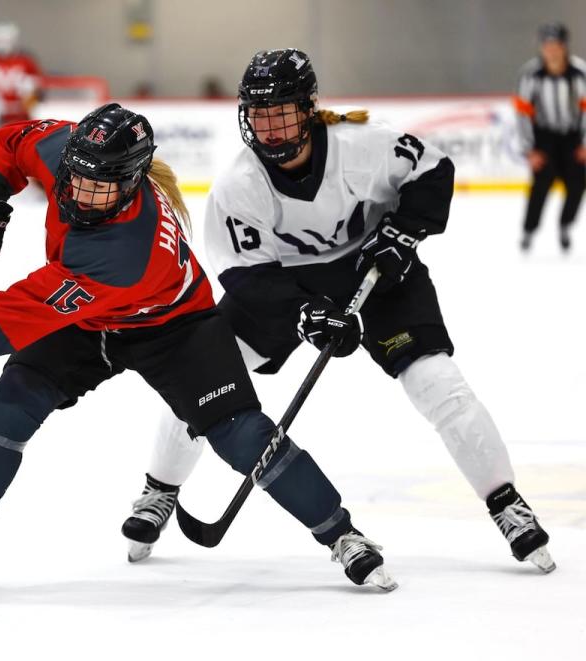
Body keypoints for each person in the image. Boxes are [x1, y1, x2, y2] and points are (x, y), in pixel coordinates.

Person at [0, 103, 397, 592]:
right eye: (75, 178)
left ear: (131, 182)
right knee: (8, 405)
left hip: (175, 327)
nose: (78, 193)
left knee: (243, 438)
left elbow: (22, 311)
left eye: (99, 187)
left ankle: (341, 534)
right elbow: (8, 141)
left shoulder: (124, 252)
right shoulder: (65, 150)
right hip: (87, 320)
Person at [124, 49, 556, 574]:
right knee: (200, 380)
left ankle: (505, 502)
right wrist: (305, 311)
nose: (269, 129)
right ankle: (160, 490)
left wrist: (403, 233)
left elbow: (434, 170)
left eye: (280, 113)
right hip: (286, 285)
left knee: (439, 384)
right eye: (258, 116)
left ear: (307, 109)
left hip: (379, 271)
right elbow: (244, 274)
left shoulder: (365, 144)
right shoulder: (239, 186)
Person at [515, 22, 586, 252]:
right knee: (541, 184)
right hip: (544, 137)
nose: (551, 50)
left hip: (572, 136)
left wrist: (585, 144)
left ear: (564, 47)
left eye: (556, 45)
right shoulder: (531, 74)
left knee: (577, 183)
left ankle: (565, 225)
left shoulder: (580, 73)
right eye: (547, 45)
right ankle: (529, 229)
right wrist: (529, 149)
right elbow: (523, 113)